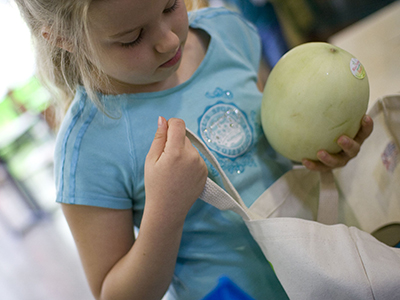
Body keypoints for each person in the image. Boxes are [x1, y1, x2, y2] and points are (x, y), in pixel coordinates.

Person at [15, 0, 373, 299]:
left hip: (335, 267)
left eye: (171, 5)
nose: (169, 41)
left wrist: (317, 149)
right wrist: (165, 210)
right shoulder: (87, 150)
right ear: (65, 38)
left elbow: (264, 145)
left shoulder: (228, 33)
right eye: (132, 38)